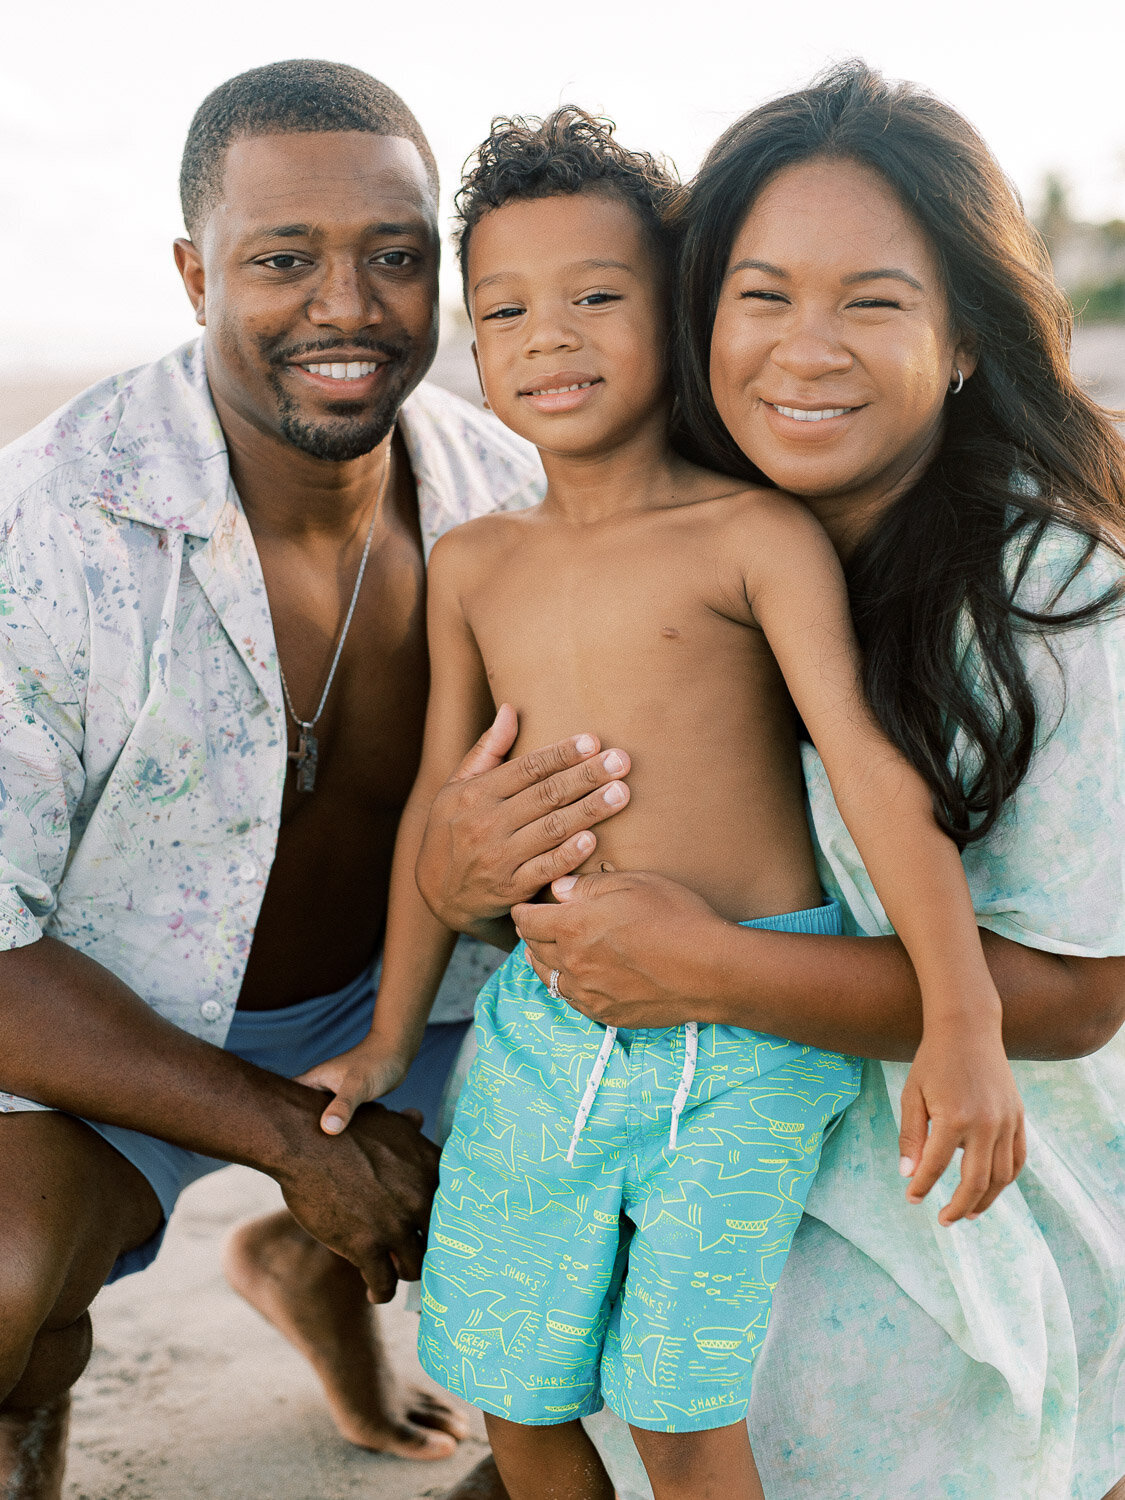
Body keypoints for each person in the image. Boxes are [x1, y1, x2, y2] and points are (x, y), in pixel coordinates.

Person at [413, 67, 1125, 1500]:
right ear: (696, 318)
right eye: (759, 295)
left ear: (967, 337)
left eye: (871, 300)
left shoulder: (1054, 594)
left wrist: (720, 969)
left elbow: (1077, 996)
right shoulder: (637, 548)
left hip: (950, 1167)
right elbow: (569, 886)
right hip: (677, 1123)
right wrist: (462, 876)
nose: (805, 352)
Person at [0, 59, 648, 1500]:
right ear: (193, 273)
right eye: (283, 260)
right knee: (1, 1288)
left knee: (685, 1198)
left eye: (396, 259)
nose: (346, 306)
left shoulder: (516, 493)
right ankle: (35, 1417)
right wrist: (292, 1136)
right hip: (113, 1032)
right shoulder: (44, 524)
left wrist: (493, 877)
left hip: (428, 1013)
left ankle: (303, 1264)